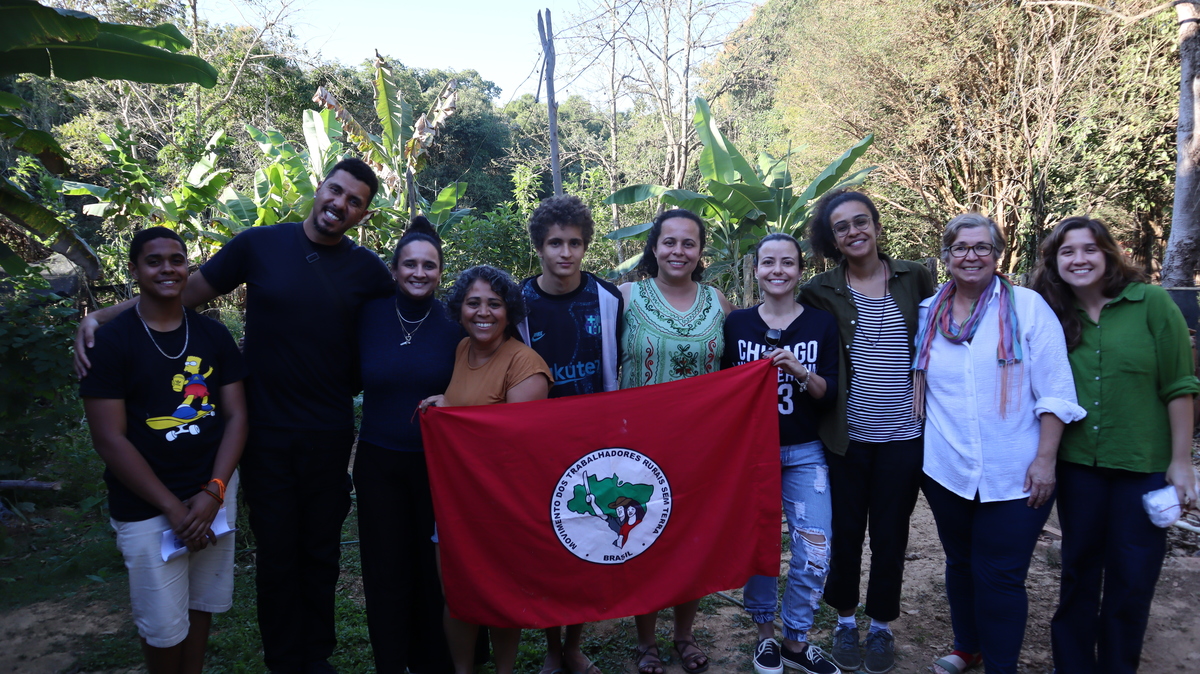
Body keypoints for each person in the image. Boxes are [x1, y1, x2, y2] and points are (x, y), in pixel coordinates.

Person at [75, 158, 395, 674]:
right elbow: (185, 293)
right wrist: (99, 317)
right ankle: (284, 661)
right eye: (336, 191)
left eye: (354, 201)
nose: (340, 205)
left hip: (330, 433)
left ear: (363, 214)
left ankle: (316, 658)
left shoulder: (368, 271)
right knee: (276, 554)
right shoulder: (260, 244)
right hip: (263, 432)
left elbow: (400, 326)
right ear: (320, 187)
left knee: (321, 552)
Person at [914, 214, 1085, 674]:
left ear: (997, 254)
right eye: (960, 248)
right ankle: (967, 645)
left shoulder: (1028, 308)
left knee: (1001, 575)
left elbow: (1055, 391)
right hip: (947, 469)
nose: (971, 256)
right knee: (961, 563)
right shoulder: (929, 313)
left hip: (1016, 470)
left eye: (981, 248)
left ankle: (1001, 666)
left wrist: (1046, 461)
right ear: (945, 257)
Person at [1030, 217, 1200, 674]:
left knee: (1132, 579)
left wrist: (1181, 462)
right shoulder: (1050, 313)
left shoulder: (1152, 302)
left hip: (1142, 466)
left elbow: (1180, 384)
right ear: (1054, 261)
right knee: (1078, 572)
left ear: (1108, 254)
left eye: (1089, 249)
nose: (1079, 259)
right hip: (1078, 467)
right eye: (1067, 252)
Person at [80, 227, 247, 674]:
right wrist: (174, 510)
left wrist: (214, 491)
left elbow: (236, 416)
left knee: (200, 605)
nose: (168, 268)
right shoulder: (112, 343)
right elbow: (109, 439)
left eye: (177, 259)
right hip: (148, 506)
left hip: (212, 492)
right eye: (154, 261)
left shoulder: (212, 335)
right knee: (162, 624)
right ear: (134, 270)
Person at [798, 188, 935, 673]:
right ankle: (845, 620)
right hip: (845, 438)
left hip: (905, 436)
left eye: (861, 222)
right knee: (847, 532)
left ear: (876, 226)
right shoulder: (819, 290)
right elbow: (792, 328)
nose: (853, 232)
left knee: (891, 534)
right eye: (842, 227)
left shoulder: (915, 276)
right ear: (832, 239)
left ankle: (880, 626)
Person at [420, 265, 553, 674]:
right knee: (457, 596)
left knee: (500, 596)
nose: (483, 312)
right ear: (460, 309)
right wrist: (441, 405)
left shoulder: (526, 364)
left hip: (501, 506)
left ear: (509, 312)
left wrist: (452, 415)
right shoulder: (462, 351)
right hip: (457, 499)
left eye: (494, 304)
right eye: (473, 303)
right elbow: (467, 406)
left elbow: (516, 444)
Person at [618, 208, 733, 674]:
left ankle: (684, 635)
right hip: (638, 445)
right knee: (644, 538)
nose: (678, 251)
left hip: (699, 449)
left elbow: (735, 372)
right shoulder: (625, 297)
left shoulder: (719, 302)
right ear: (654, 246)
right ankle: (646, 641)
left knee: (692, 542)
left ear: (700, 251)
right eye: (669, 242)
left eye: (689, 243)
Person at [721, 233, 840, 674]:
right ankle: (765, 636)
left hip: (805, 452)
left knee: (815, 549)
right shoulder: (737, 325)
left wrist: (800, 370)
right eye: (768, 262)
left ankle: (797, 638)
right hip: (752, 453)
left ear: (799, 271)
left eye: (787, 263)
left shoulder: (820, 325)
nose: (777, 270)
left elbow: (829, 393)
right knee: (761, 547)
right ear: (756, 270)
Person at [517, 195, 621, 674]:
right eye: (555, 242)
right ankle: (551, 650)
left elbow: (615, 370)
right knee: (543, 546)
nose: (565, 252)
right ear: (539, 246)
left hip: (593, 442)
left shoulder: (607, 298)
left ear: (585, 245)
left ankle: (574, 646)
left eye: (574, 243)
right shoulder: (519, 304)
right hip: (539, 444)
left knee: (587, 540)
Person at [355, 217, 460, 674]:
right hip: (378, 462)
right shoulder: (368, 315)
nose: (420, 273)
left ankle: (434, 662)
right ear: (395, 269)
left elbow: (488, 374)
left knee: (432, 571)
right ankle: (391, 663)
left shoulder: (455, 321)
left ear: (440, 272)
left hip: (438, 465)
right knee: (386, 571)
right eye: (410, 264)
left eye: (429, 265)